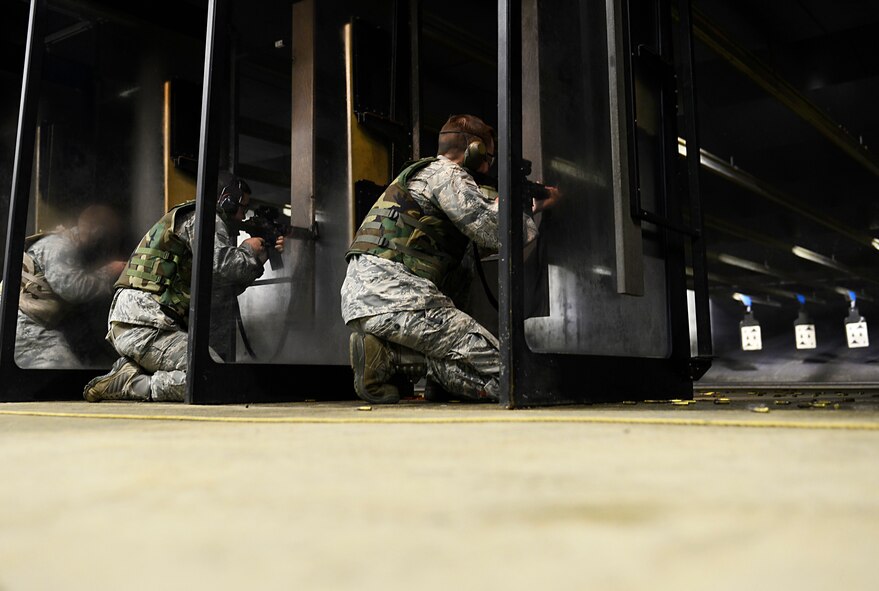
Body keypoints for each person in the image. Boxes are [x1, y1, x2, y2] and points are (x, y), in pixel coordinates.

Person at [340, 113, 559, 404]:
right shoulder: (447, 174)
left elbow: (476, 248)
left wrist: (522, 206)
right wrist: (519, 208)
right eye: (488, 158)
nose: (488, 167)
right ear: (475, 150)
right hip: (398, 299)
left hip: (370, 300)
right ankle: (391, 356)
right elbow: (498, 233)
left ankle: (409, 364)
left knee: (475, 365)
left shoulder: (424, 175)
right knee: (514, 375)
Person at [82, 175, 285, 402]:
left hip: (143, 323)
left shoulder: (199, 218)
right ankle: (134, 384)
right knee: (212, 377)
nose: (242, 216)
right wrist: (248, 251)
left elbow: (219, 289)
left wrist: (257, 259)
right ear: (227, 200)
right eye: (242, 208)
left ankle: (132, 371)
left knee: (214, 371)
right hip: (146, 324)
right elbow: (222, 266)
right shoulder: (204, 218)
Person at [14, 204, 126, 368]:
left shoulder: (64, 246)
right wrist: (110, 271)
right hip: (24, 326)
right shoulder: (60, 245)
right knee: (66, 370)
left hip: (29, 324)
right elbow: (72, 288)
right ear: (97, 233)